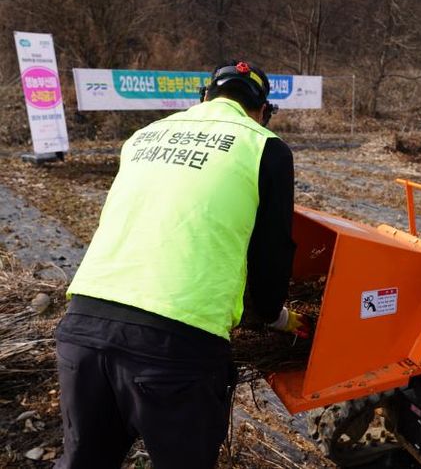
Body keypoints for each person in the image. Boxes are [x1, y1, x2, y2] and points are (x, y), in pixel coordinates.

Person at [54, 60, 309, 469]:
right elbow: (271, 251)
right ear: (263, 111)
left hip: (83, 330)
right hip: (174, 348)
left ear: (204, 97)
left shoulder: (144, 135)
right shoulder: (266, 147)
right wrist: (272, 315)